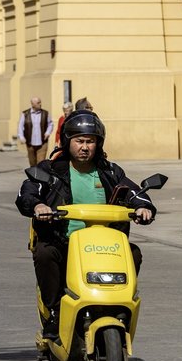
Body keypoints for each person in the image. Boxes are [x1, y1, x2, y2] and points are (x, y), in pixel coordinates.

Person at [14, 109, 155, 341]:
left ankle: (119, 305)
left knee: (134, 253)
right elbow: (28, 192)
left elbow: (133, 192)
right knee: (45, 253)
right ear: (68, 142)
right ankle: (54, 313)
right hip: (64, 241)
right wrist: (38, 206)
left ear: (98, 144)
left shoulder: (110, 171)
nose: (85, 147)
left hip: (104, 245)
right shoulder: (51, 170)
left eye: (90, 141)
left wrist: (143, 207)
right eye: (79, 141)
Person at [17, 97, 53, 167]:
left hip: (42, 142)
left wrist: (48, 133)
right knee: (32, 163)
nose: (40, 104)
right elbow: (20, 126)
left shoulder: (45, 113)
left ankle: (40, 177)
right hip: (30, 142)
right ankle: (34, 177)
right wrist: (21, 137)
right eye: (38, 102)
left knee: (41, 163)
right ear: (33, 104)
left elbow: (50, 124)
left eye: (40, 102)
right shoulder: (25, 114)